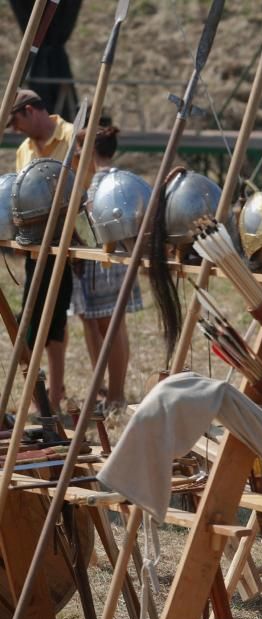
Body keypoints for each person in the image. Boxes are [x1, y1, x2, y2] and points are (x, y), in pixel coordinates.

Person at [7, 89, 94, 411]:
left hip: (73, 242)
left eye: (16, 121)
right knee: (32, 318)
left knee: (64, 321)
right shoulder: (23, 150)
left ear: (30, 111)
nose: (15, 130)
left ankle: (57, 395)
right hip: (37, 245)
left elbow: (89, 188)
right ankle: (38, 393)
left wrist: (77, 234)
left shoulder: (74, 137)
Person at [72, 123, 143, 412]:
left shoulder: (103, 184)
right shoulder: (103, 181)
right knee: (101, 324)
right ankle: (107, 391)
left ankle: (116, 395)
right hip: (99, 259)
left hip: (107, 260)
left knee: (111, 326)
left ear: (88, 151)